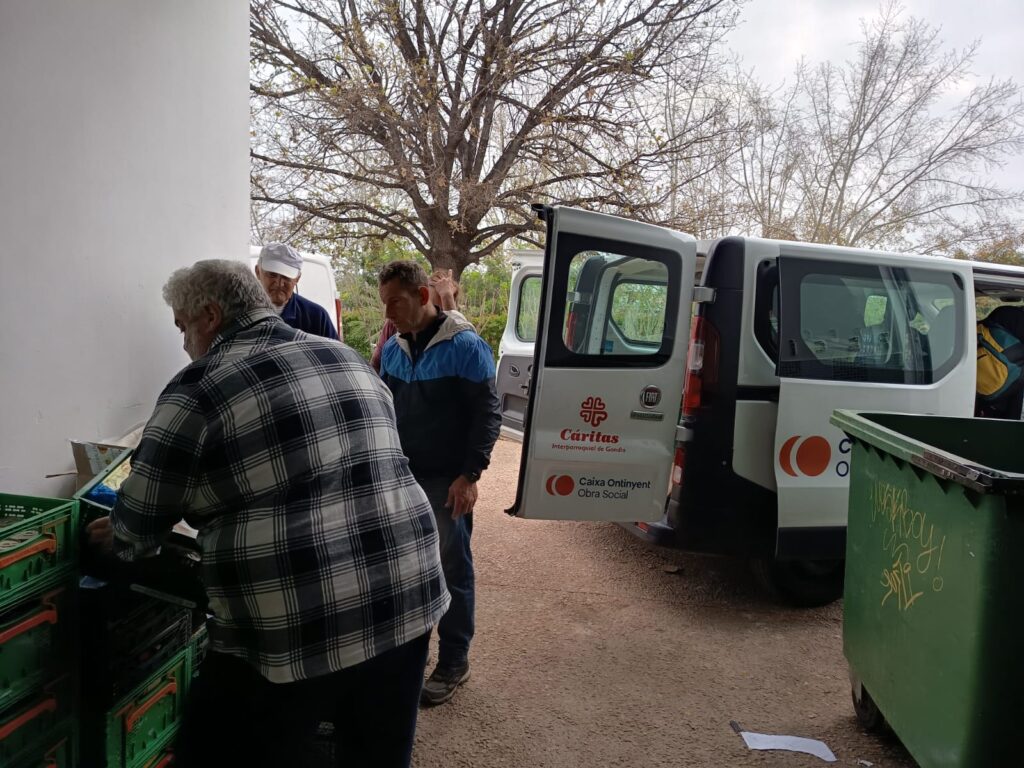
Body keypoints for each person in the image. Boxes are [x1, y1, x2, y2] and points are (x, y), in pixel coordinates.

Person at [85, 259, 448, 767]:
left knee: (221, 750)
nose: (183, 343)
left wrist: (111, 533)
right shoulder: (344, 357)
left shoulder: (197, 388)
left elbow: (136, 528)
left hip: (292, 624)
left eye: (181, 328)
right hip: (407, 598)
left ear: (209, 317)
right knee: (374, 755)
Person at [377, 261, 501, 707]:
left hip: (447, 481)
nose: (389, 311)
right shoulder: (393, 349)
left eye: (397, 300)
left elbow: (488, 415)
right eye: (384, 302)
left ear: (424, 296)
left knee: (452, 569)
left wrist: (470, 476)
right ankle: (406, 658)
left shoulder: (466, 347)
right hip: (402, 477)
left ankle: (454, 660)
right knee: (403, 569)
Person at [371, 268, 461, 373]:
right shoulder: (393, 327)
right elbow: (376, 365)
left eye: (437, 310)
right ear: (423, 296)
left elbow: (457, 337)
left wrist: (447, 297)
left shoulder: (461, 340)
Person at [255, 242, 339, 339]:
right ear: (258, 272)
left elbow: (337, 353)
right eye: (272, 275)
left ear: (297, 278)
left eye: (286, 277)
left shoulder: (317, 317)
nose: (279, 283)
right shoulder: (241, 312)